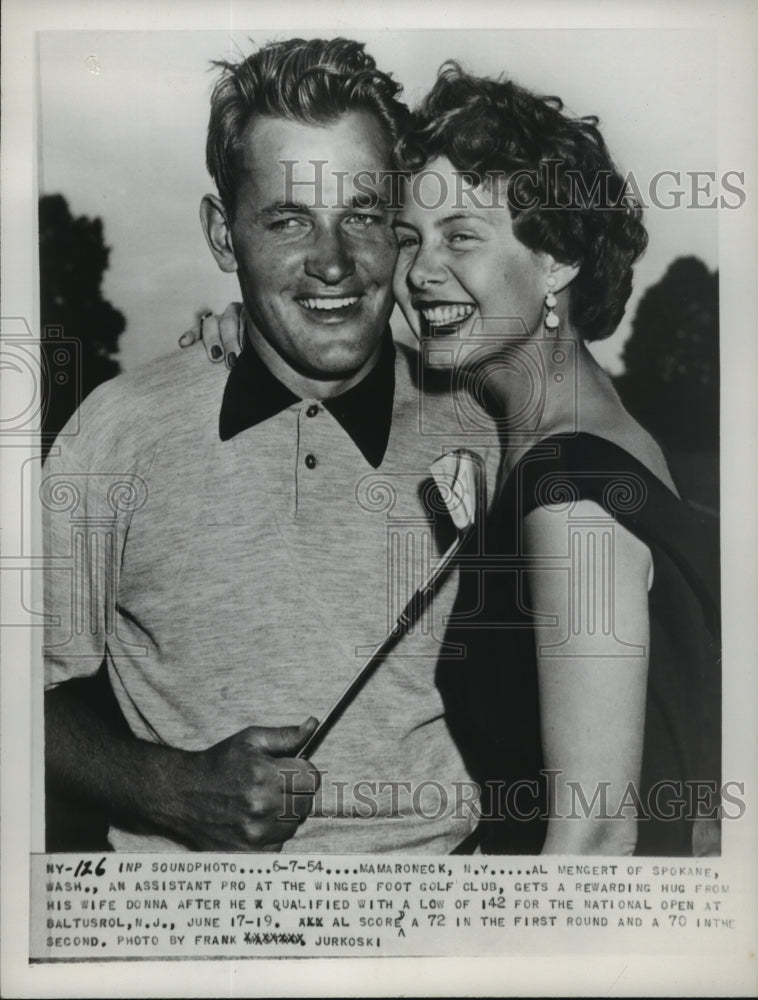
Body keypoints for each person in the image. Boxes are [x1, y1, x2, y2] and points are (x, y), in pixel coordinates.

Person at [196, 64, 721, 856]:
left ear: (558, 259)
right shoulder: (589, 441)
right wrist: (260, 331)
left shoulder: (566, 496)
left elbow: (596, 838)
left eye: (462, 237)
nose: (420, 273)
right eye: (409, 239)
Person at [43, 38, 500, 855]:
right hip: (194, 950)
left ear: (399, 232)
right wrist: (162, 789)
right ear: (224, 236)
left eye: (360, 214)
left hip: (441, 935)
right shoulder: (118, 431)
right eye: (288, 219)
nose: (332, 262)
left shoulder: (481, 427)